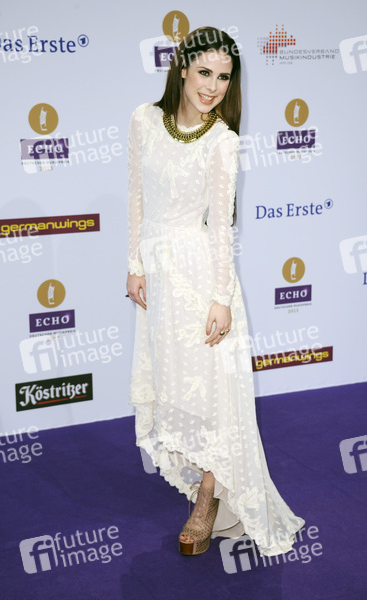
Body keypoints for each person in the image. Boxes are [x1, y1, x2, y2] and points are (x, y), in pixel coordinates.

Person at [126, 26, 304, 557]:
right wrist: (134, 265)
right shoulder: (143, 120)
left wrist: (222, 298)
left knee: (214, 395)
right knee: (174, 385)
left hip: (202, 278)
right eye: (204, 72)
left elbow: (222, 227)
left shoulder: (223, 140)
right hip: (159, 279)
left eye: (224, 77)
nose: (212, 86)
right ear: (182, 69)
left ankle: (207, 499)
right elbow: (135, 195)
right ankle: (203, 483)